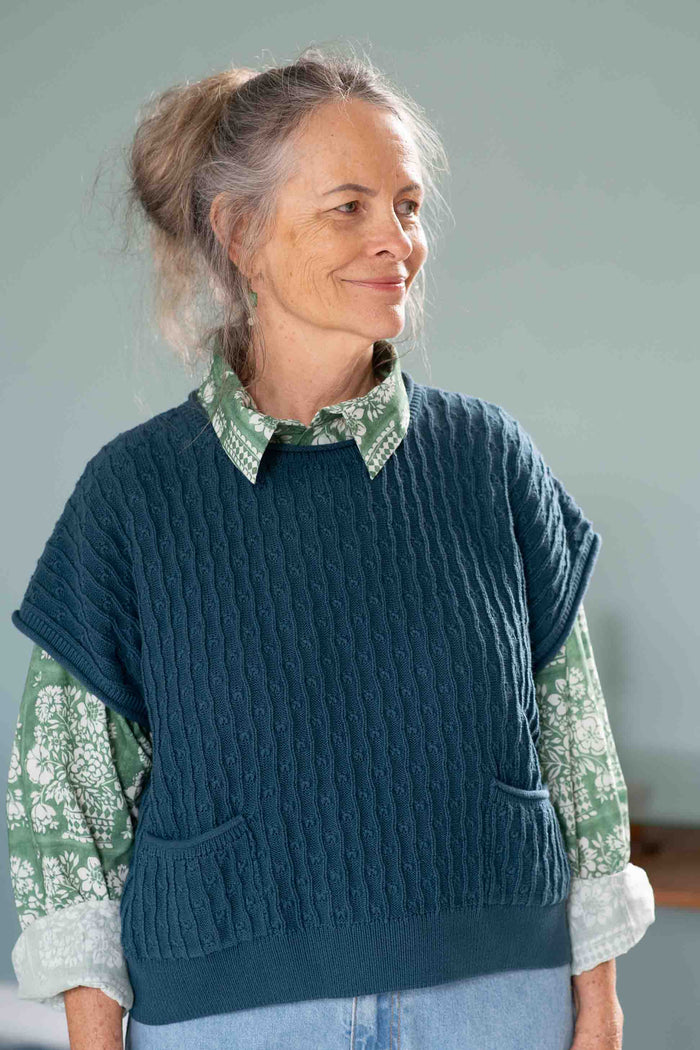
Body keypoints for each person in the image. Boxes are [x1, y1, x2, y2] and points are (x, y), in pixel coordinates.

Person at [7, 45, 654, 1050]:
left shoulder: (490, 462)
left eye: (407, 206)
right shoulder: (133, 497)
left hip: (497, 1001)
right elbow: (66, 809)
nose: (396, 239)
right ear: (240, 233)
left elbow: (577, 756)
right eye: (348, 206)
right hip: (228, 1019)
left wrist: (599, 1005)